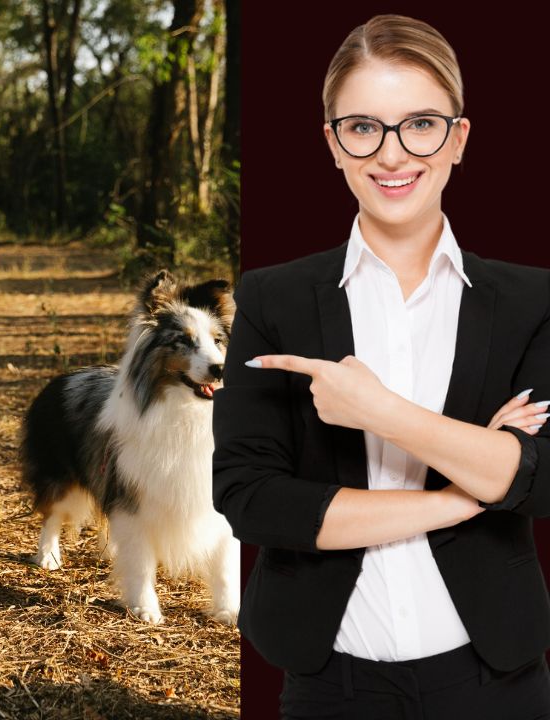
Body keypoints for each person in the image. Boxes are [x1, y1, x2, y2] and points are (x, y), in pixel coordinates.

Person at [212, 14, 550, 719]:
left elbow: (540, 481)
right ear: (333, 144)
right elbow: (251, 498)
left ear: (458, 138)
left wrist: (380, 413)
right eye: (363, 127)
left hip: (497, 681)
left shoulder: (532, 300)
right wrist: (465, 491)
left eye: (419, 124)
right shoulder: (271, 297)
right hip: (329, 683)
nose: (392, 154)